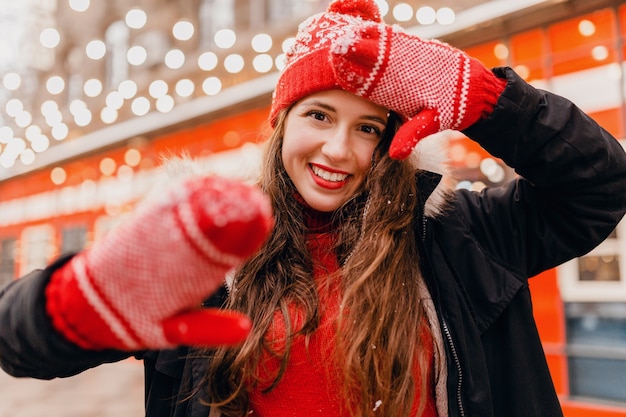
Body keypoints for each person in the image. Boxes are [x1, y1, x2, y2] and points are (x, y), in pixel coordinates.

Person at [1, 0, 625, 416]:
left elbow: (599, 186)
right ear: (280, 125)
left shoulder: (461, 235)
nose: (339, 149)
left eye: (368, 128)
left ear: (391, 143)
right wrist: (71, 308)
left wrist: (490, 101)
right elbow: (15, 344)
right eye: (319, 115)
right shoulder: (211, 254)